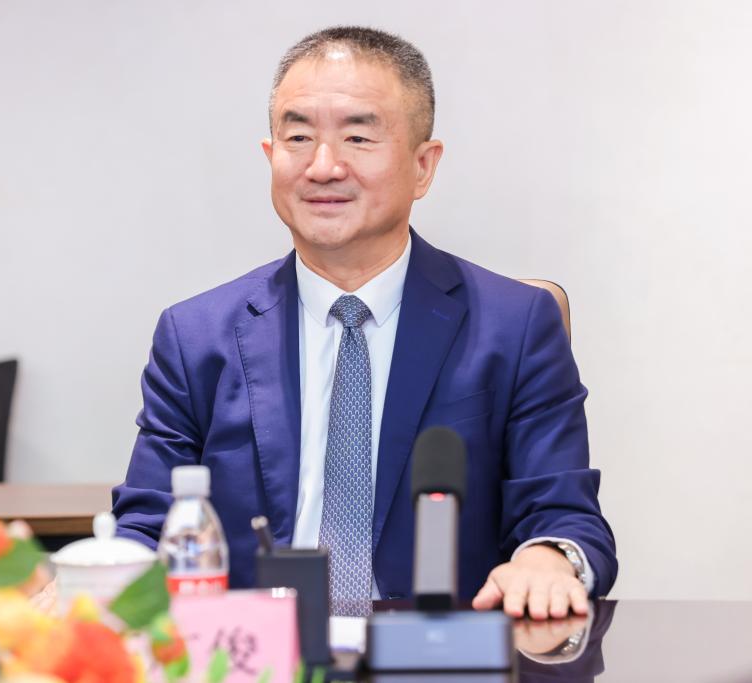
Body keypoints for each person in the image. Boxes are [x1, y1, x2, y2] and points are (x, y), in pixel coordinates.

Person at [113, 26, 617, 619]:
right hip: (257, 648)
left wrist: (549, 559)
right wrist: (102, 578)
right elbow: (148, 522)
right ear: (271, 156)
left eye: (357, 137)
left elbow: (563, 514)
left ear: (423, 166)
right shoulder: (196, 335)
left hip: (435, 648)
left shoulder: (516, 325)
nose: (323, 166)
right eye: (298, 137)